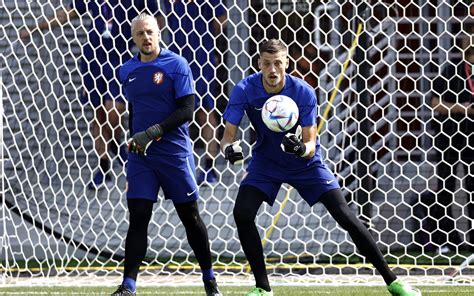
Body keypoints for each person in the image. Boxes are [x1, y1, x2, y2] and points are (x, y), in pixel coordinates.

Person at [220, 39, 422, 296]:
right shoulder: (244, 89)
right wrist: (230, 149)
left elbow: (311, 144)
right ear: (259, 63)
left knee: (345, 215)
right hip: (266, 162)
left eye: (278, 64)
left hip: (304, 163)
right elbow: (228, 135)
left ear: (286, 64)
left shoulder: (303, 91)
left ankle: (393, 281)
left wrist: (299, 149)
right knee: (242, 213)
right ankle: (262, 288)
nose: (272, 70)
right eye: (267, 64)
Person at [111, 13, 221, 296]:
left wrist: (152, 132)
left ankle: (210, 281)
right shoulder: (126, 71)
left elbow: (187, 110)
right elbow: (134, 110)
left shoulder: (177, 64)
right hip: (141, 156)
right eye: (140, 34)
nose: (146, 38)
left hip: (174, 153)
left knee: (190, 217)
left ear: (158, 32)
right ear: (133, 38)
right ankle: (128, 287)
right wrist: (133, 142)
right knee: (138, 215)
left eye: (150, 32)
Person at [19, 1, 160, 190]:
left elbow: (157, 18)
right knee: (98, 115)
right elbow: (67, 14)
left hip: (121, 58)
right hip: (93, 58)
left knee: (114, 113)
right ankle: (104, 170)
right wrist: (36, 27)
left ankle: (118, 150)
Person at [162, 0, 228, 185]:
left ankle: (209, 167)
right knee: (175, 111)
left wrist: (208, 41)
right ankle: (177, 165)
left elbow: (222, 18)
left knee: (205, 110)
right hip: (175, 58)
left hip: (202, 57)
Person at [430, 42, 474, 254]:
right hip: (448, 136)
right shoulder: (451, 69)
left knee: (472, 188)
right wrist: (461, 108)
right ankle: (446, 240)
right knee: (446, 187)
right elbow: (435, 103)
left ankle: (473, 240)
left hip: (472, 138)